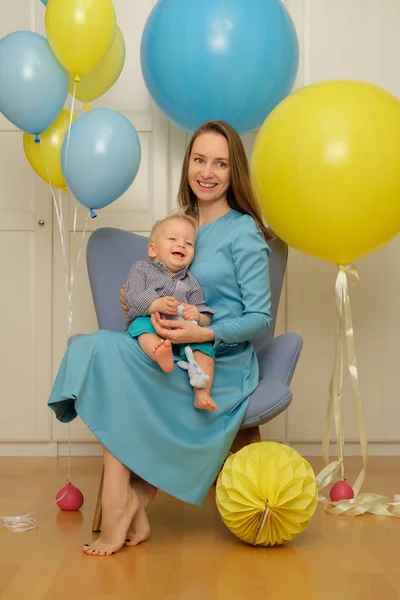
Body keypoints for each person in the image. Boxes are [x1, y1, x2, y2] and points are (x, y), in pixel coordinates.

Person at [48, 120, 272, 557]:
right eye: (199, 159)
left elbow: (260, 319)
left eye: (220, 163)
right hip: (168, 347)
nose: (207, 172)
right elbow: (152, 287)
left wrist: (203, 331)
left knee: (111, 362)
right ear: (187, 163)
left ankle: (121, 503)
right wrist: (138, 302)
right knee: (96, 347)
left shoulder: (243, 231)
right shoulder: (179, 226)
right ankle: (123, 495)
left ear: (234, 172)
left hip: (214, 361)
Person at [124, 213, 217, 411]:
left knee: (206, 348)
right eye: (173, 239)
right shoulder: (142, 269)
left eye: (188, 243)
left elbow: (204, 312)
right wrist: (155, 304)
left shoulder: (191, 282)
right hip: (152, 321)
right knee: (142, 326)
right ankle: (160, 354)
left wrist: (198, 316)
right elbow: (132, 297)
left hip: (183, 332)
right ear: (153, 249)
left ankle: (202, 393)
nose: (181, 245)